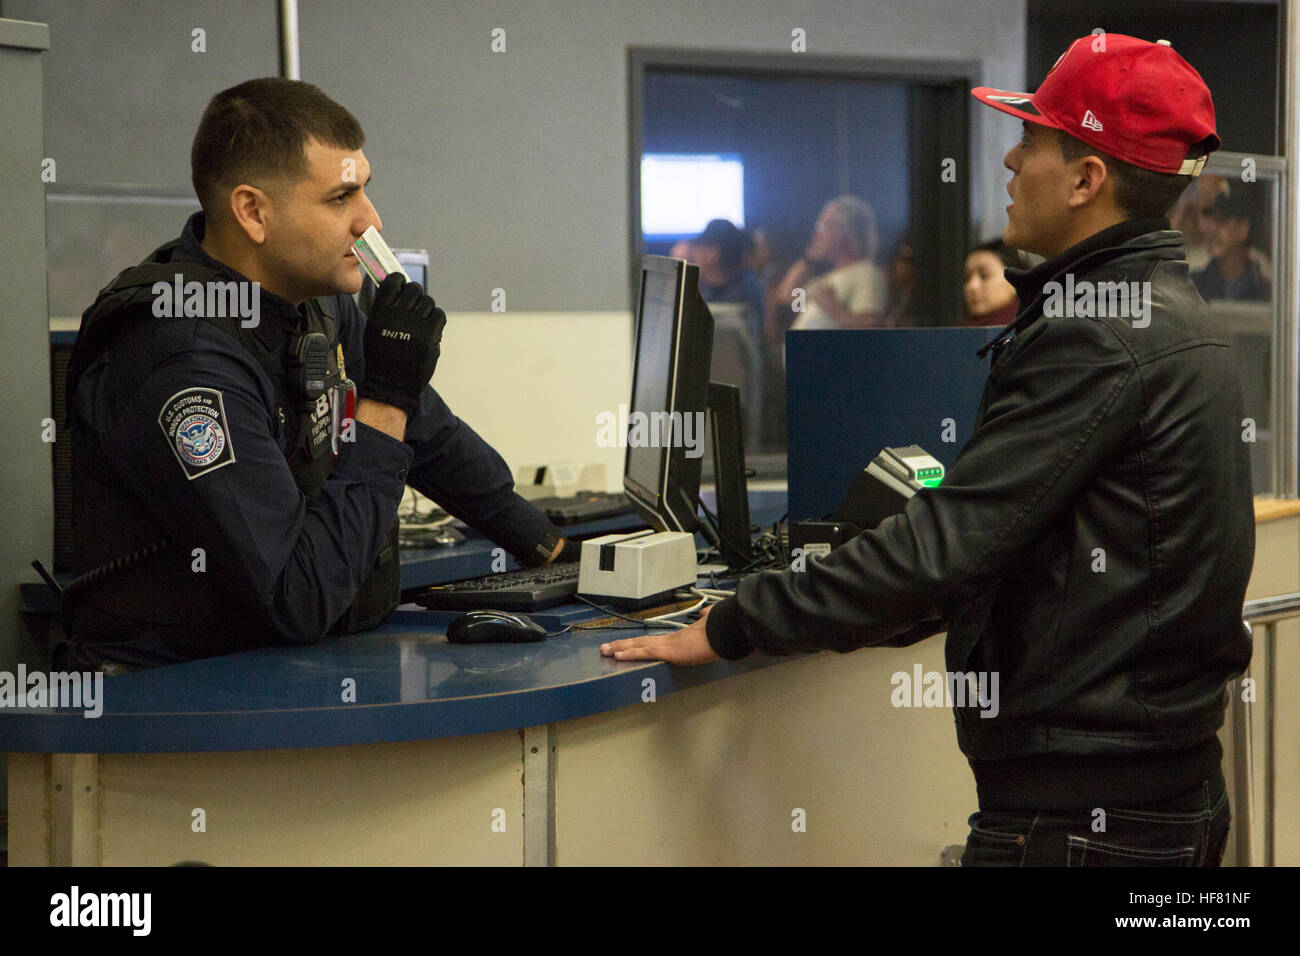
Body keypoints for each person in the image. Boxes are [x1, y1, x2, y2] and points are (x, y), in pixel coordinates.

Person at [602, 34, 1254, 867]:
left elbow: (947, 547)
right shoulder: (1160, 310)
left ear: (1089, 180)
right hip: (1157, 800)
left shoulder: (1096, 332)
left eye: (1033, 143)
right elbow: (1002, 551)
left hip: (1086, 823)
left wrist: (736, 621)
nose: (1011, 162)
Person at [59, 78, 576, 671]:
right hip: (175, 699)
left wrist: (554, 552)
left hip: (282, 669)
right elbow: (298, 595)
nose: (370, 222)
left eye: (366, 192)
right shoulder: (180, 354)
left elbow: (430, 437)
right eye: (340, 199)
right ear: (253, 212)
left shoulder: (312, 302)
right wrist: (383, 400)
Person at [777, 195, 888, 330]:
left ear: (846, 230)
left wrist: (832, 307)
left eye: (823, 225)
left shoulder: (865, 273)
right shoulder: (827, 278)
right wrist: (808, 261)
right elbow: (788, 298)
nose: (817, 233)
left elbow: (870, 329)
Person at [1192, 186, 1273, 302]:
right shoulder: (1191, 285)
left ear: (1243, 229)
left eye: (1221, 221)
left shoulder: (1265, 293)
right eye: (1212, 221)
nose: (1213, 228)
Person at [690, 218, 766, 337]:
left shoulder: (744, 292)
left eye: (699, 247)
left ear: (714, 251)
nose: (694, 253)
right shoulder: (701, 286)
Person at [961, 239, 1029, 326]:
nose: (972, 286)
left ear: (1014, 279)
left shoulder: (1028, 328)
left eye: (984, 275)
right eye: (967, 278)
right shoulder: (960, 330)